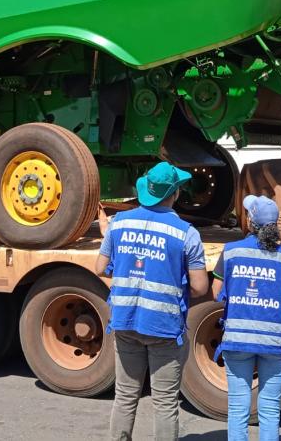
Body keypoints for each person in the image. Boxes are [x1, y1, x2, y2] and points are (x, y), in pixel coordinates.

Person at [95, 161, 209, 441]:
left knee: (124, 396)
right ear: (175, 194)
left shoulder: (118, 224)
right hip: (163, 326)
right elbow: (199, 286)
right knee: (165, 402)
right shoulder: (186, 233)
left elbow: (100, 268)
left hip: (125, 321)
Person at [211, 195, 281, 441]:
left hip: (237, 340)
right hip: (275, 343)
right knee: (270, 408)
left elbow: (215, 293)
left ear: (250, 221)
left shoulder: (231, 252)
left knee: (238, 409)